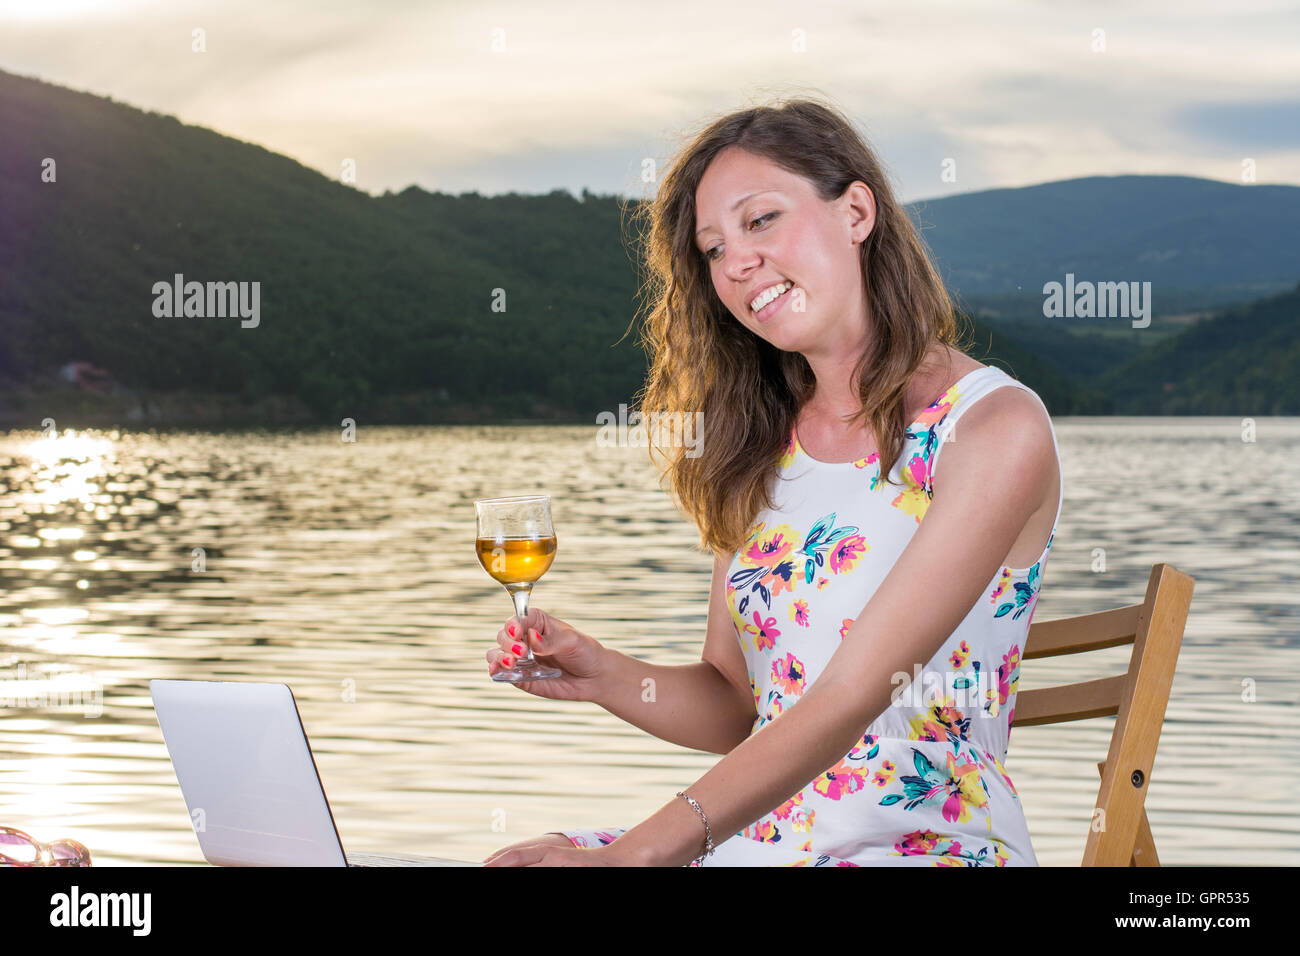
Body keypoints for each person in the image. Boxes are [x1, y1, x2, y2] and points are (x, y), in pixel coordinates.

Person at [482, 95, 1062, 867]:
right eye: (713, 250)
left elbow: (849, 696)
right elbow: (735, 704)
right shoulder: (761, 448)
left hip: (920, 844)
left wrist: (635, 856)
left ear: (856, 211)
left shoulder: (990, 429)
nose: (737, 263)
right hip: (763, 839)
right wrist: (606, 674)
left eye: (761, 221)